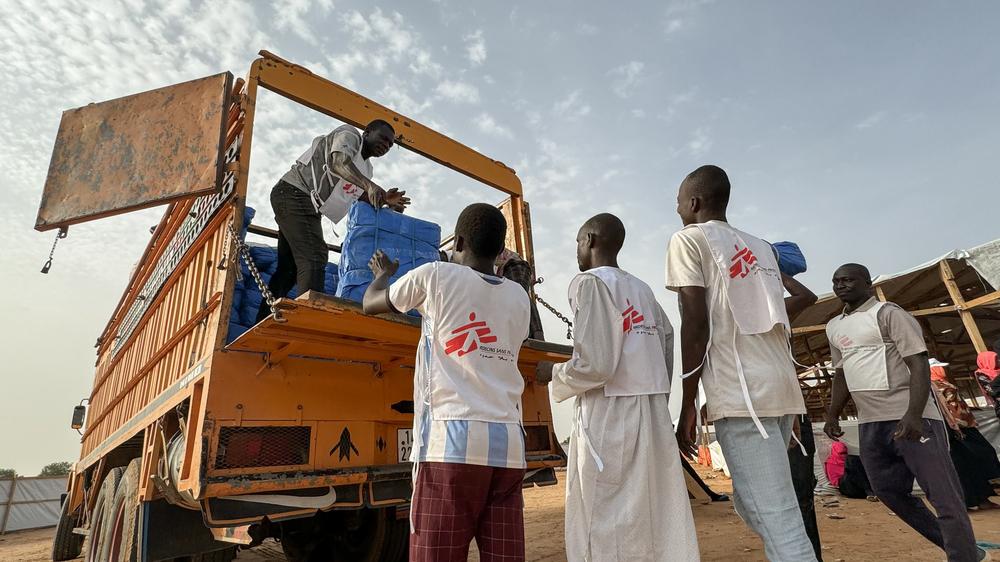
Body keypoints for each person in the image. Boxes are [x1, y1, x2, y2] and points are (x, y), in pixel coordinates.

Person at [666, 165, 819, 561]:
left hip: (744, 394)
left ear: (694, 202)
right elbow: (778, 306)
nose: (677, 208)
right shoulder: (760, 247)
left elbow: (695, 323)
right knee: (756, 508)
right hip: (780, 389)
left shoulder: (688, 240)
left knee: (779, 519)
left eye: (679, 201)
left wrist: (686, 402)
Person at [362, 203, 530, 562]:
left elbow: (371, 304)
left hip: (451, 447)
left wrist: (382, 274)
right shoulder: (520, 296)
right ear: (501, 251)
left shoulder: (436, 276)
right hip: (509, 448)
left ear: (462, 240)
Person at [535, 213, 700, 562]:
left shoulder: (588, 283)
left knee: (604, 510)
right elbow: (666, 341)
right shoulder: (642, 289)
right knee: (650, 506)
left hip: (610, 414)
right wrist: (655, 391)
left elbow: (596, 363)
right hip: (650, 408)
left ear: (592, 239)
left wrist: (553, 372)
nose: (577, 251)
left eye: (578, 242)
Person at [823, 263, 986, 562]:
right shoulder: (834, 326)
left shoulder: (888, 314)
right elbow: (841, 374)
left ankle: (962, 556)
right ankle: (966, 551)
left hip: (912, 418)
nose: (841, 285)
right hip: (871, 422)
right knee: (887, 491)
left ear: (867, 283)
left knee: (944, 497)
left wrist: (914, 413)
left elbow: (918, 363)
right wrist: (833, 414)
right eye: (836, 281)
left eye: (848, 279)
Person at [255, 119, 409, 323]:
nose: (386, 145)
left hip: (305, 205)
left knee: (290, 268)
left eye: (390, 145)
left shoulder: (366, 169)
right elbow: (338, 163)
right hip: (293, 193)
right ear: (367, 132)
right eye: (383, 138)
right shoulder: (349, 135)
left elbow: (357, 193)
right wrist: (370, 186)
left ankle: (262, 320)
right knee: (315, 256)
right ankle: (310, 322)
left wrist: (384, 200)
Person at [930, 364, 1000, 510]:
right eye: (938, 367)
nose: (943, 370)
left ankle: (981, 498)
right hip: (952, 429)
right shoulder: (931, 386)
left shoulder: (939, 384)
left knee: (971, 462)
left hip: (959, 427)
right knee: (960, 464)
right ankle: (966, 502)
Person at [974, 350, 1000, 420]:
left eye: (998, 358)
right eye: (996, 359)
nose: (999, 360)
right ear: (988, 361)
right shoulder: (981, 375)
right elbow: (992, 390)